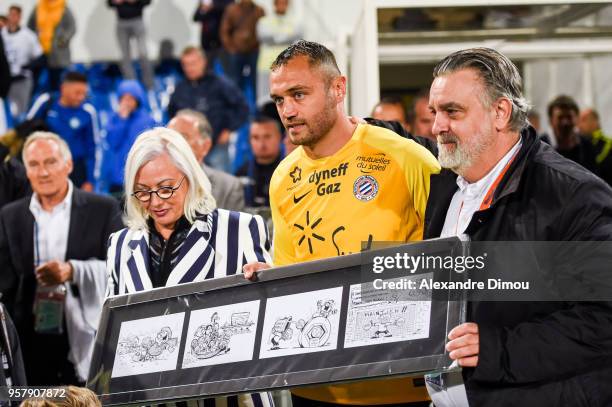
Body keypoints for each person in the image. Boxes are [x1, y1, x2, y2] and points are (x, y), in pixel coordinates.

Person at [245, 40, 440, 407]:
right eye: (279, 100)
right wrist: (269, 280)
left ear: (338, 88)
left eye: (299, 94)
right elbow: (292, 272)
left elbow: (456, 258)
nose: (287, 110)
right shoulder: (283, 177)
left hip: (396, 385)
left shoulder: (404, 157)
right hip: (314, 386)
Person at [424, 47, 612, 406]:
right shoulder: (446, 186)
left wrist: (496, 348)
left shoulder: (572, 195)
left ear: (500, 112)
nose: (437, 126)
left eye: (452, 112)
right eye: (435, 112)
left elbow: (603, 319)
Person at [105, 127, 273, 406]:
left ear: (192, 178)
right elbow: (113, 335)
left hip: (227, 397)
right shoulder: (120, 245)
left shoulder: (239, 229)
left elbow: (264, 320)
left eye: (166, 188)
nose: (156, 202)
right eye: (143, 192)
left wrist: (269, 286)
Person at [0, 132, 123, 386]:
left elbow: (119, 267)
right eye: (34, 164)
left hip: (88, 330)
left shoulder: (103, 207)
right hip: (29, 335)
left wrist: (73, 271)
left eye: (51, 162)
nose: (43, 172)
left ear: (68, 165)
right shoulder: (10, 215)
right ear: (26, 171)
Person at [168, 46, 249, 172]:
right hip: (188, 150)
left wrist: (229, 129)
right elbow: (172, 113)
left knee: (221, 186)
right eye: (186, 64)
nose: (189, 68)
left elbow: (242, 107)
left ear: (203, 62)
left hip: (216, 146)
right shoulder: (180, 89)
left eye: (193, 63)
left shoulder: (220, 84)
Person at [26, 71, 99, 190]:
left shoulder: (88, 112)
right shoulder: (46, 102)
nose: (80, 97)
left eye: (84, 94)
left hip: (76, 171)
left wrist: (90, 180)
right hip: (45, 167)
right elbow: (26, 132)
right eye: (77, 93)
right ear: (63, 88)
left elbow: (93, 149)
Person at [168, 109, 245, 211]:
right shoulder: (150, 183)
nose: (172, 143)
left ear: (205, 146)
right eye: (169, 136)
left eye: (183, 137)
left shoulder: (228, 187)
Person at [102, 79, 156, 196]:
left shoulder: (148, 120)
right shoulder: (114, 119)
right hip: (118, 178)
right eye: (124, 98)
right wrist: (122, 119)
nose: (127, 102)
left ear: (138, 100)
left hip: (140, 175)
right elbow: (112, 143)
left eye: (130, 98)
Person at [256, 0, 302, 103]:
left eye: (284, 3)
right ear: (274, 4)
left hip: (288, 64)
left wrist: (274, 37)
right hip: (267, 65)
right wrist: (287, 38)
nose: (282, 5)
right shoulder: (264, 21)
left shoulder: (295, 22)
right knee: (267, 97)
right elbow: (264, 37)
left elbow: (298, 37)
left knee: (287, 95)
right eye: (279, 3)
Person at [1, 5, 43, 118]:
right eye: (10, 14)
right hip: (5, 80)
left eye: (15, 15)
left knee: (21, 112)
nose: (12, 18)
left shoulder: (28, 35)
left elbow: (39, 57)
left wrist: (28, 66)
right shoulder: (2, 34)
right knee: (5, 112)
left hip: (22, 79)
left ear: (20, 17)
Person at [220, 0, 265, 100]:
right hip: (236, 51)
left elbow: (264, 29)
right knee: (235, 81)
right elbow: (224, 31)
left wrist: (259, 45)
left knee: (256, 82)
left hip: (254, 51)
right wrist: (230, 48)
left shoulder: (259, 10)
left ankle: (256, 108)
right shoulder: (232, 9)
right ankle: (236, 106)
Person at [27, 0, 76, 93]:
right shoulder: (39, 7)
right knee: (34, 82)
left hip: (57, 53)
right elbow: (30, 25)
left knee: (56, 83)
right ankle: (36, 104)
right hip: (39, 52)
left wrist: (62, 40)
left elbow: (72, 27)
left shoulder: (63, 8)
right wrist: (33, 40)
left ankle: (53, 104)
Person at [236, 115, 283, 207]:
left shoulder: (292, 171)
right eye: (256, 137)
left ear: (279, 137)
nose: (262, 143)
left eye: (267, 136)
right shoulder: (241, 173)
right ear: (249, 140)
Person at [107, 0, 154, 90]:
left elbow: (147, 2)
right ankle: (132, 86)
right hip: (121, 22)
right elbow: (109, 3)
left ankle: (149, 85)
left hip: (137, 20)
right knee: (125, 56)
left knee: (143, 53)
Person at [546, 94, 598, 174]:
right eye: (560, 117)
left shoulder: (587, 146)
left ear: (577, 119)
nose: (565, 122)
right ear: (551, 121)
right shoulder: (540, 146)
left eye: (569, 117)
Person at [192, 0, 232, 72]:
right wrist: (204, 10)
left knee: (225, 71)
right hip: (207, 43)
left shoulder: (225, 2)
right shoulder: (205, 2)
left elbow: (229, 8)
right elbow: (196, 17)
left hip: (222, 42)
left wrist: (212, 6)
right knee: (207, 71)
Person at [578, 107, 612, 186]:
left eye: (583, 120)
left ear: (595, 122)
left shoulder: (608, 145)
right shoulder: (579, 146)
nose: (578, 125)